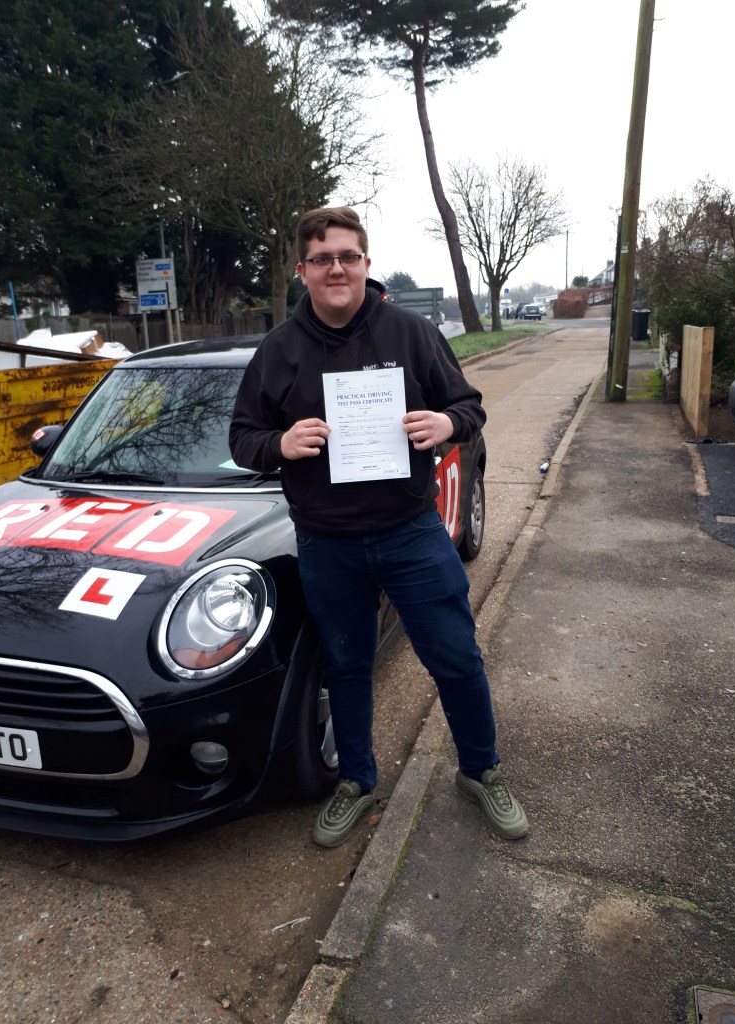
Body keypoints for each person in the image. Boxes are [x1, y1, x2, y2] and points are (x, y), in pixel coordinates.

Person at [229, 206, 528, 848]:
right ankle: (357, 781)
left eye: (348, 256)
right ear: (303, 271)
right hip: (326, 542)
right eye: (321, 258)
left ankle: (481, 770)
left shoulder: (412, 334)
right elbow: (243, 439)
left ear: (366, 263)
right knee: (347, 665)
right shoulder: (278, 351)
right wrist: (280, 443)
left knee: (455, 655)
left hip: (409, 532)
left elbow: (467, 405)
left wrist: (447, 426)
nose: (336, 268)